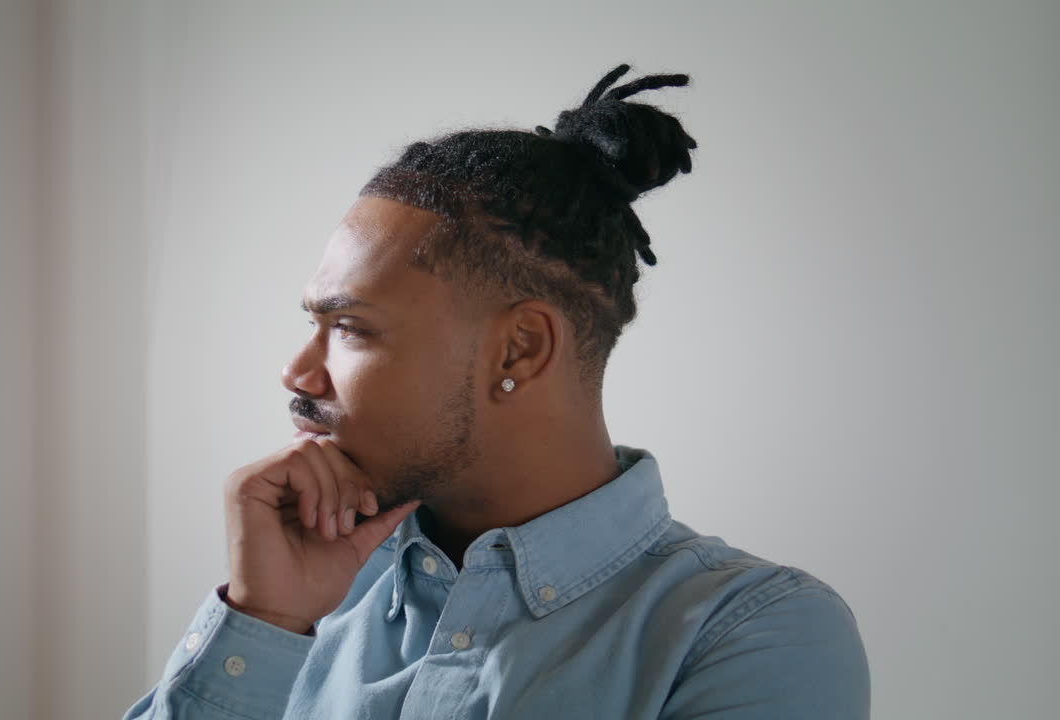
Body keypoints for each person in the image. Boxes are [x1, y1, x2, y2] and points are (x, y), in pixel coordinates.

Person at [124, 63, 870, 719]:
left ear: (519, 347)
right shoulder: (308, 595)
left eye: (349, 328)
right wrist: (267, 619)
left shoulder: (749, 633)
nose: (297, 374)